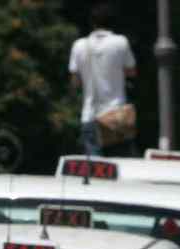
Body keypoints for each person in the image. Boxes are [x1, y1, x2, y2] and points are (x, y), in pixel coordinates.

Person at [69, 3, 136, 158]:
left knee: (96, 168)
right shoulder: (121, 42)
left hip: (90, 116)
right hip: (117, 116)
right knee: (120, 164)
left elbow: (75, 82)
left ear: (92, 23)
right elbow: (131, 71)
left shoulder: (79, 46)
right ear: (112, 22)